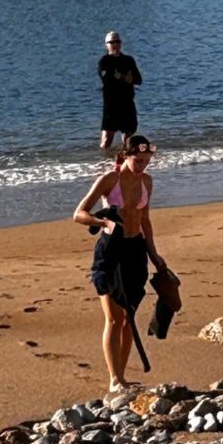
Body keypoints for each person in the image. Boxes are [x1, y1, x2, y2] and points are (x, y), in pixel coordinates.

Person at [73, 134, 166, 392]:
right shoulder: (109, 180)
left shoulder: (147, 181)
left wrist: (154, 255)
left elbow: (145, 220)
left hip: (135, 251)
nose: (142, 166)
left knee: (128, 318)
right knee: (114, 318)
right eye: (138, 160)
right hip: (111, 251)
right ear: (126, 155)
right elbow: (79, 214)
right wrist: (103, 222)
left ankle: (122, 378)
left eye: (147, 161)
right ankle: (114, 380)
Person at [98, 31, 142, 150]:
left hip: (127, 102)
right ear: (106, 45)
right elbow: (106, 78)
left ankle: (123, 161)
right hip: (111, 104)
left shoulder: (128, 60)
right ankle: (102, 162)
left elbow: (138, 79)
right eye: (112, 42)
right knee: (107, 137)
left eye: (117, 41)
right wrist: (124, 78)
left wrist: (125, 77)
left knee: (128, 137)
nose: (115, 44)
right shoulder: (105, 61)